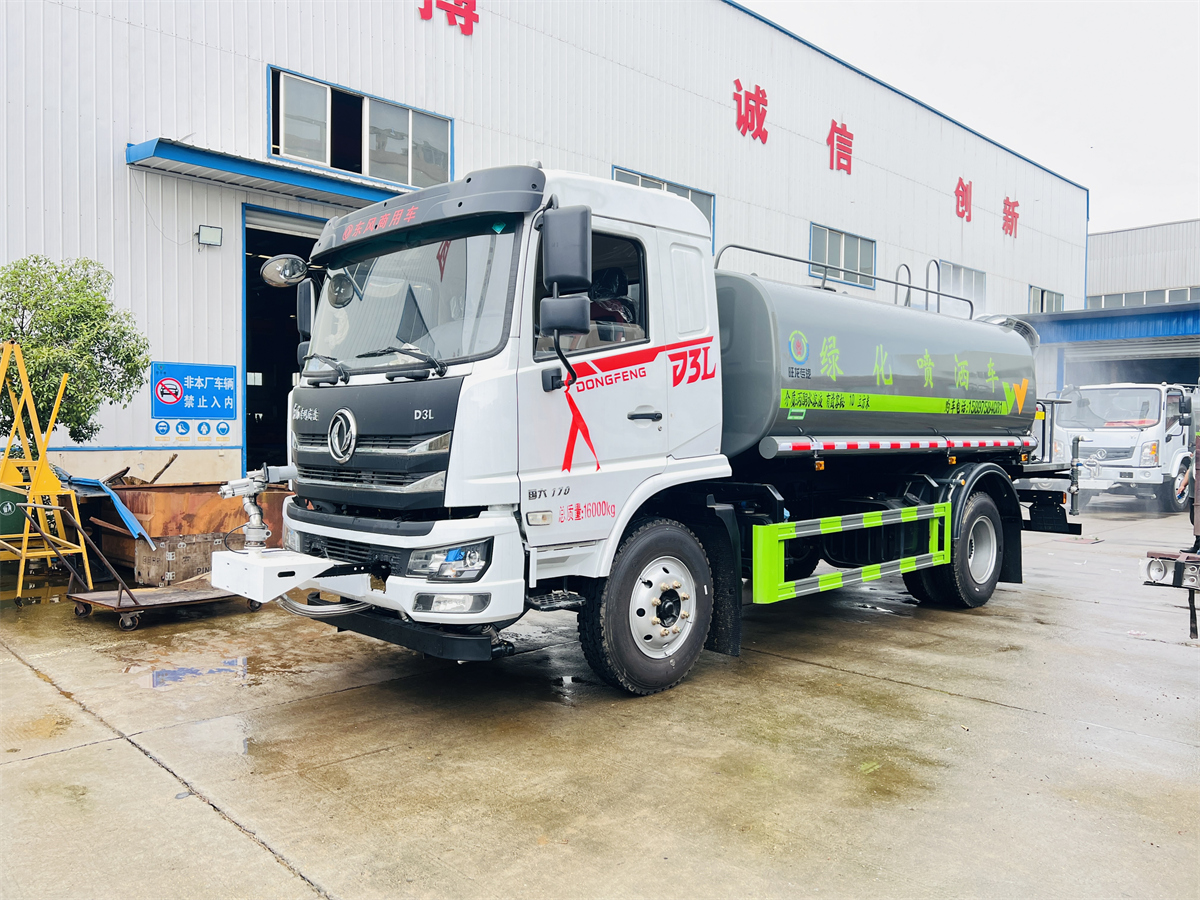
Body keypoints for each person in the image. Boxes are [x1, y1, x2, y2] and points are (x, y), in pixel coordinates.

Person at [1180, 459, 1199, 554]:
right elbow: (1190, 469)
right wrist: (1183, 485)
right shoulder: (1197, 453)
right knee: (1194, 520)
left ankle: (1197, 546)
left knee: (1199, 521)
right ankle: (1198, 545)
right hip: (1193, 494)